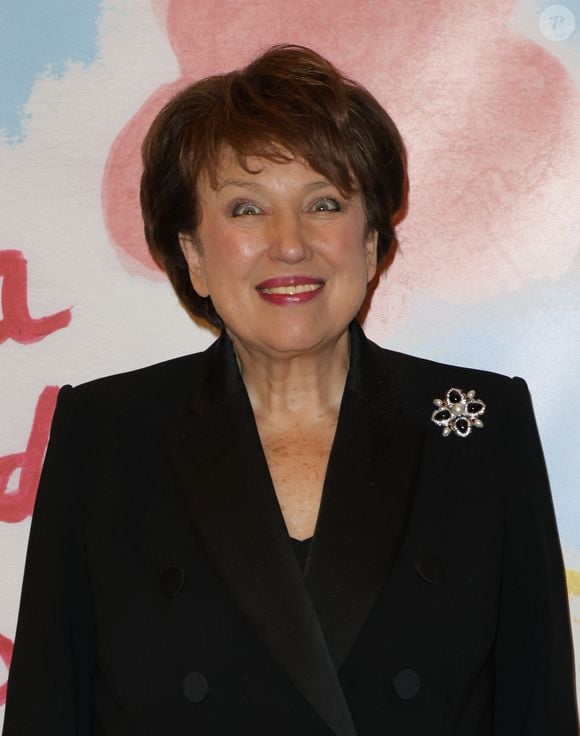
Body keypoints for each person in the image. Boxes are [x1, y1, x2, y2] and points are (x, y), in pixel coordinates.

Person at [3, 45, 578, 736]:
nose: (290, 244)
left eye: (324, 203)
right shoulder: (104, 433)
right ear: (192, 254)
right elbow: (45, 710)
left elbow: (537, 705)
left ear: (370, 245)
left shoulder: (480, 427)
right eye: (246, 209)